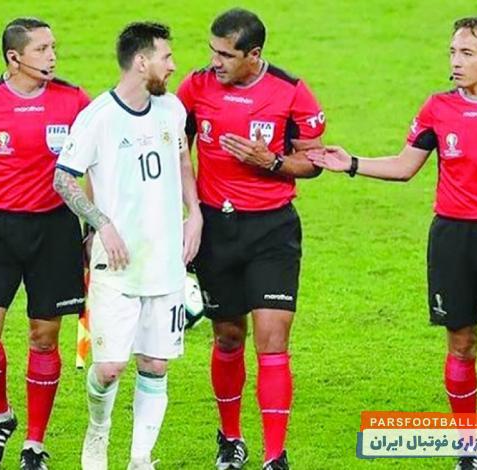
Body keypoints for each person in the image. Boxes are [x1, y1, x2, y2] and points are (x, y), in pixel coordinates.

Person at [310, 16, 477, 470]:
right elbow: (404, 166)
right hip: (452, 241)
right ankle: (468, 448)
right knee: (461, 346)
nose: (455, 61)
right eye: (452, 52)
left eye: (466, 53)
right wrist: (351, 163)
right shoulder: (437, 108)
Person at [176, 8, 326, 470]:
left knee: (272, 340)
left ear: (254, 54)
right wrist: (189, 211)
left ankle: (275, 455)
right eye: (213, 51)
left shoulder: (291, 91)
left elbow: (314, 162)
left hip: (272, 231)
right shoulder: (195, 87)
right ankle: (230, 438)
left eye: (226, 55)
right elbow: (175, 149)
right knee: (227, 336)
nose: (215, 62)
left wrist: (272, 162)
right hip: (217, 230)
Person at [52, 22, 202, 470]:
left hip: (166, 262)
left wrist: (194, 212)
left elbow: (182, 160)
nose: (173, 66)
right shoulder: (98, 117)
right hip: (116, 263)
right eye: (166, 57)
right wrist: (102, 224)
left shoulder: (172, 109)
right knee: (109, 367)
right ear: (141, 62)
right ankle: (98, 431)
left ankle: (140, 459)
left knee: (155, 363)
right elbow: (63, 178)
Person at [0, 17, 90, 470]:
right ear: (14, 57)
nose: (52, 56)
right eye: (42, 49)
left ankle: (34, 445)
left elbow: (96, 166)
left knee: (44, 339)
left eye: (53, 47)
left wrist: (93, 227)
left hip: (56, 231)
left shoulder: (75, 101)